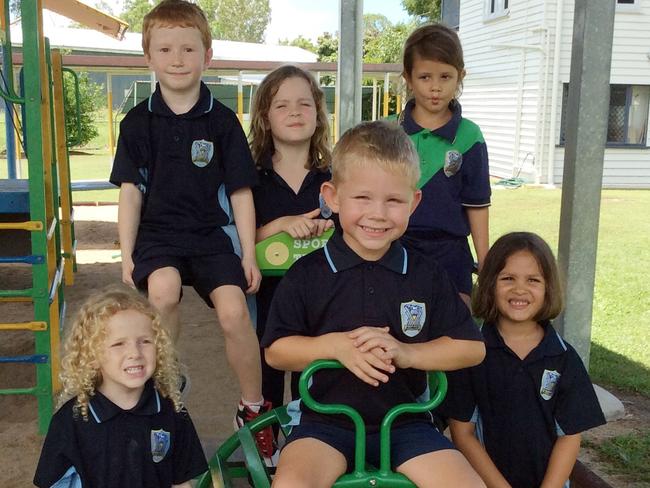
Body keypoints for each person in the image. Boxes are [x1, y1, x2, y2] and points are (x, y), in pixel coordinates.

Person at [261, 121, 487, 488]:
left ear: (414, 202)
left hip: (407, 422)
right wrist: (335, 347)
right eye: (362, 198)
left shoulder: (425, 273)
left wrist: (408, 353)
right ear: (332, 197)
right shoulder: (308, 274)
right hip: (324, 423)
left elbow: (471, 348)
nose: (378, 214)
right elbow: (276, 351)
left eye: (394, 200)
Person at [108, 0, 273, 461]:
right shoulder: (137, 122)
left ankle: (253, 408)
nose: (177, 59)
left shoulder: (222, 122)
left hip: (209, 235)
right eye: (164, 49)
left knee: (234, 310)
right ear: (148, 57)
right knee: (162, 291)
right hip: (159, 235)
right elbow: (130, 193)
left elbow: (241, 192)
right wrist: (126, 253)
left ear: (208, 55)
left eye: (187, 48)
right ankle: (165, 383)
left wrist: (248, 254)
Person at [441, 232, 606, 488]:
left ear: (548, 287)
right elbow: (462, 434)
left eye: (533, 280)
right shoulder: (471, 353)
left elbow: (570, 437)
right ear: (489, 284)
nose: (520, 289)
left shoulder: (563, 357)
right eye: (507, 278)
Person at [33, 287, 207, 488]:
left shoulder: (171, 410)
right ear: (92, 356)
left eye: (145, 341)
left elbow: (182, 482)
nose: (135, 352)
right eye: (118, 344)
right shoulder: (71, 421)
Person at [250, 65, 334, 447]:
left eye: (304, 103)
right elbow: (235, 239)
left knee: (312, 374)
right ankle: (264, 443)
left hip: (322, 301)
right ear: (265, 117)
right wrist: (279, 225)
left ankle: (306, 442)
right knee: (267, 368)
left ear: (318, 113)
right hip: (267, 298)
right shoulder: (250, 177)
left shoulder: (333, 177)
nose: (295, 112)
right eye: (282, 105)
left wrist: (332, 230)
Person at [397, 23, 491, 305]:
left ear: (460, 77)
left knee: (456, 335)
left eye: (446, 76)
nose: (435, 87)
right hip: (394, 250)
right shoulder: (389, 133)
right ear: (408, 79)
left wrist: (486, 262)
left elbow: (477, 204)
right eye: (425, 77)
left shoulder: (470, 137)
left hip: (451, 255)